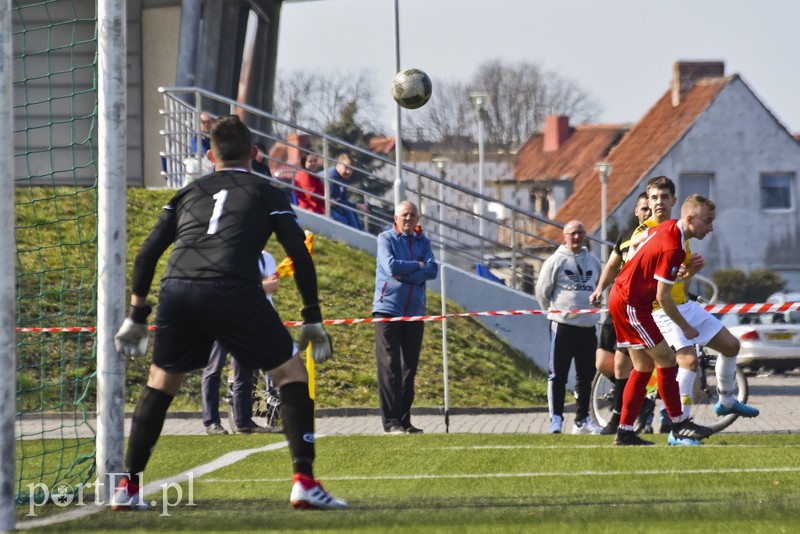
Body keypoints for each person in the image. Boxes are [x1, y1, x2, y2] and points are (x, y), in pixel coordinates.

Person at [113, 115, 346, 510]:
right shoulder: (266, 190)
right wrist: (311, 316)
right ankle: (304, 481)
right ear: (254, 154)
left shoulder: (186, 193)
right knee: (291, 373)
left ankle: (128, 488)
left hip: (178, 288)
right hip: (231, 287)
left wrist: (136, 314)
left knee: (161, 382)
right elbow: (298, 253)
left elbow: (148, 252)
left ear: (209, 155)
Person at [610, 193, 719, 447]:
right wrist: (686, 326)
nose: (711, 227)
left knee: (643, 367)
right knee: (667, 360)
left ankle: (624, 431)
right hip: (631, 302)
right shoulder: (674, 247)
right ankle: (679, 424)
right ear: (690, 219)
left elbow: (637, 241)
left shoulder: (669, 227)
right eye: (707, 221)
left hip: (624, 296)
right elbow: (664, 297)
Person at [372, 201, 438, 434]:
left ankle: (404, 419)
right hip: (387, 309)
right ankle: (391, 422)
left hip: (415, 312)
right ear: (396, 217)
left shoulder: (424, 242)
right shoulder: (385, 239)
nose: (408, 218)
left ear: (417, 218)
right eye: (404, 215)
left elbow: (432, 270)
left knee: (409, 367)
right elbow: (390, 267)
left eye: (412, 215)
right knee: (390, 367)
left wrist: (408, 274)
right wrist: (417, 267)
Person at [589, 193, 651, 434]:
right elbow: (612, 265)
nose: (647, 212)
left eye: (650, 208)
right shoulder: (626, 237)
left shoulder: (658, 236)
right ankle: (639, 399)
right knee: (603, 362)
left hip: (635, 309)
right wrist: (599, 288)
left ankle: (618, 419)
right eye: (643, 208)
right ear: (636, 211)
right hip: (616, 304)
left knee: (620, 365)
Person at [201, 250, 282, 435]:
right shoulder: (224, 251)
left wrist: (245, 288)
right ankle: (211, 422)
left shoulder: (265, 256)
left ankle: (244, 422)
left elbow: (274, 285)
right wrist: (258, 286)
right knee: (214, 369)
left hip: (251, 318)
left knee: (244, 371)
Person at [536, 220, 603, 435]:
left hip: (588, 327)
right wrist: (553, 313)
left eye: (580, 233)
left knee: (586, 376)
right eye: (572, 233)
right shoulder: (555, 261)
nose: (577, 237)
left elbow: (600, 287)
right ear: (564, 236)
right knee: (558, 374)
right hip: (563, 327)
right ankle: (555, 418)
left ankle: (582, 420)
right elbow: (542, 291)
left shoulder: (593, 261)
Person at [329, 153, 369, 230]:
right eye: (346, 167)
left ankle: (361, 233)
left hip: (336, 206)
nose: (349, 172)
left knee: (351, 211)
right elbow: (332, 200)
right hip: (327, 206)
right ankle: (356, 236)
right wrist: (355, 206)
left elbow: (342, 199)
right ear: (338, 164)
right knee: (348, 212)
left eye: (351, 169)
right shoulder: (332, 177)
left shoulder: (342, 177)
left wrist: (354, 206)